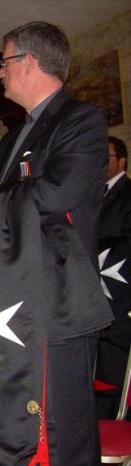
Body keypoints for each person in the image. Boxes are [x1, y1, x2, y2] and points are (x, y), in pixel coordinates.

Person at [0, 22, 110, 466]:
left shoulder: (81, 120)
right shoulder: (12, 137)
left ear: (29, 62)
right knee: (22, 428)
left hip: (58, 302)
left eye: (4, 62)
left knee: (63, 435)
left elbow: (55, 194)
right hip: (13, 302)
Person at [96, 136, 131, 418]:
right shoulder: (91, 195)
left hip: (118, 299)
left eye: (105, 156)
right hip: (94, 302)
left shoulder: (128, 194)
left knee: (113, 373)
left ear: (122, 161)